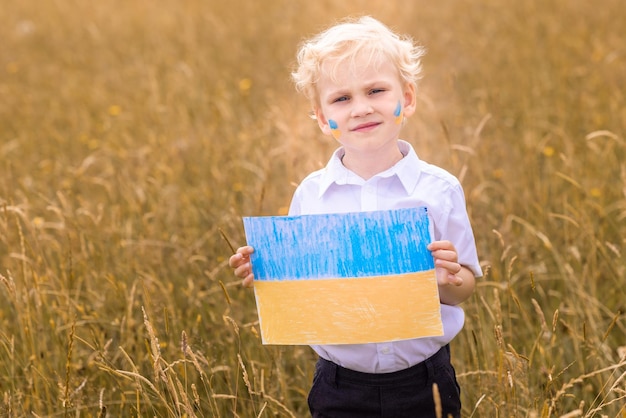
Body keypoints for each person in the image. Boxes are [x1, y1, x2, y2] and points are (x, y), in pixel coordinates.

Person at [228, 16, 482, 418]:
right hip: (340, 383)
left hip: (424, 380)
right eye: (341, 98)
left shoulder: (439, 189)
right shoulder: (311, 195)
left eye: (376, 90)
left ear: (408, 98)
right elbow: (303, 289)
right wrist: (268, 271)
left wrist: (445, 279)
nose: (361, 108)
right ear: (320, 115)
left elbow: (465, 284)